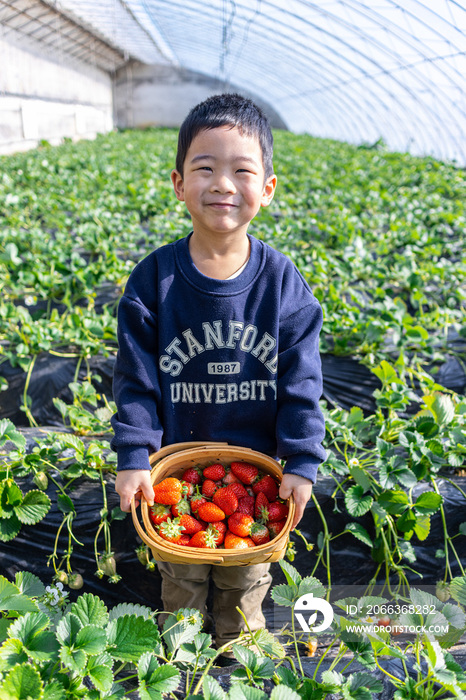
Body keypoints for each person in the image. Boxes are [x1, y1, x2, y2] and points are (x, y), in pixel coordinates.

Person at [111, 93, 326, 663]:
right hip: (176, 474)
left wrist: (302, 462)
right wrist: (134, 455)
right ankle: (180, 651)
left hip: (257, 475)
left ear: (268, 188)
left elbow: (303, 382)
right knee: (181, 575)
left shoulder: (283, 285)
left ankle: (240, 649)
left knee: (247, 577)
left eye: (241, 170)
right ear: (179, 183)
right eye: (205, 168)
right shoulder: (153, 281)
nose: (222, 184)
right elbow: (135, 381)